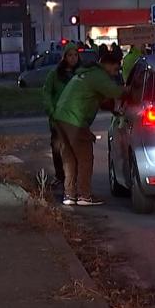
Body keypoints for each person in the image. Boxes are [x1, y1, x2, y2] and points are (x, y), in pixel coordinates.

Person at [52, 52, 126, 206]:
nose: (116, 73)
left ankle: (69, 195)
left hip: (60, 117)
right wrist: (132, 89)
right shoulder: (98, 75)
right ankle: (85, 195)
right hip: (74, 119)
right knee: (85, 157)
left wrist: (114, 110)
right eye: (115, 68)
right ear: (107, 64)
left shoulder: (87, 74)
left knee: (69, 158)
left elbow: (100, 100)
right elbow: (115, 92)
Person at [42, 42, 81, 187]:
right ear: (64, 57)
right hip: (58, 118)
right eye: (70, 55)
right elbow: (46, 93)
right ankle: (60, 175)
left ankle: (73, 177)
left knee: (75, 148)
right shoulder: (55, 74)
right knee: (57, 147)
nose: (73, 58)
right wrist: (51, 111)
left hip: (75, 118)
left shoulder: (80, 74)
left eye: (75, 55)